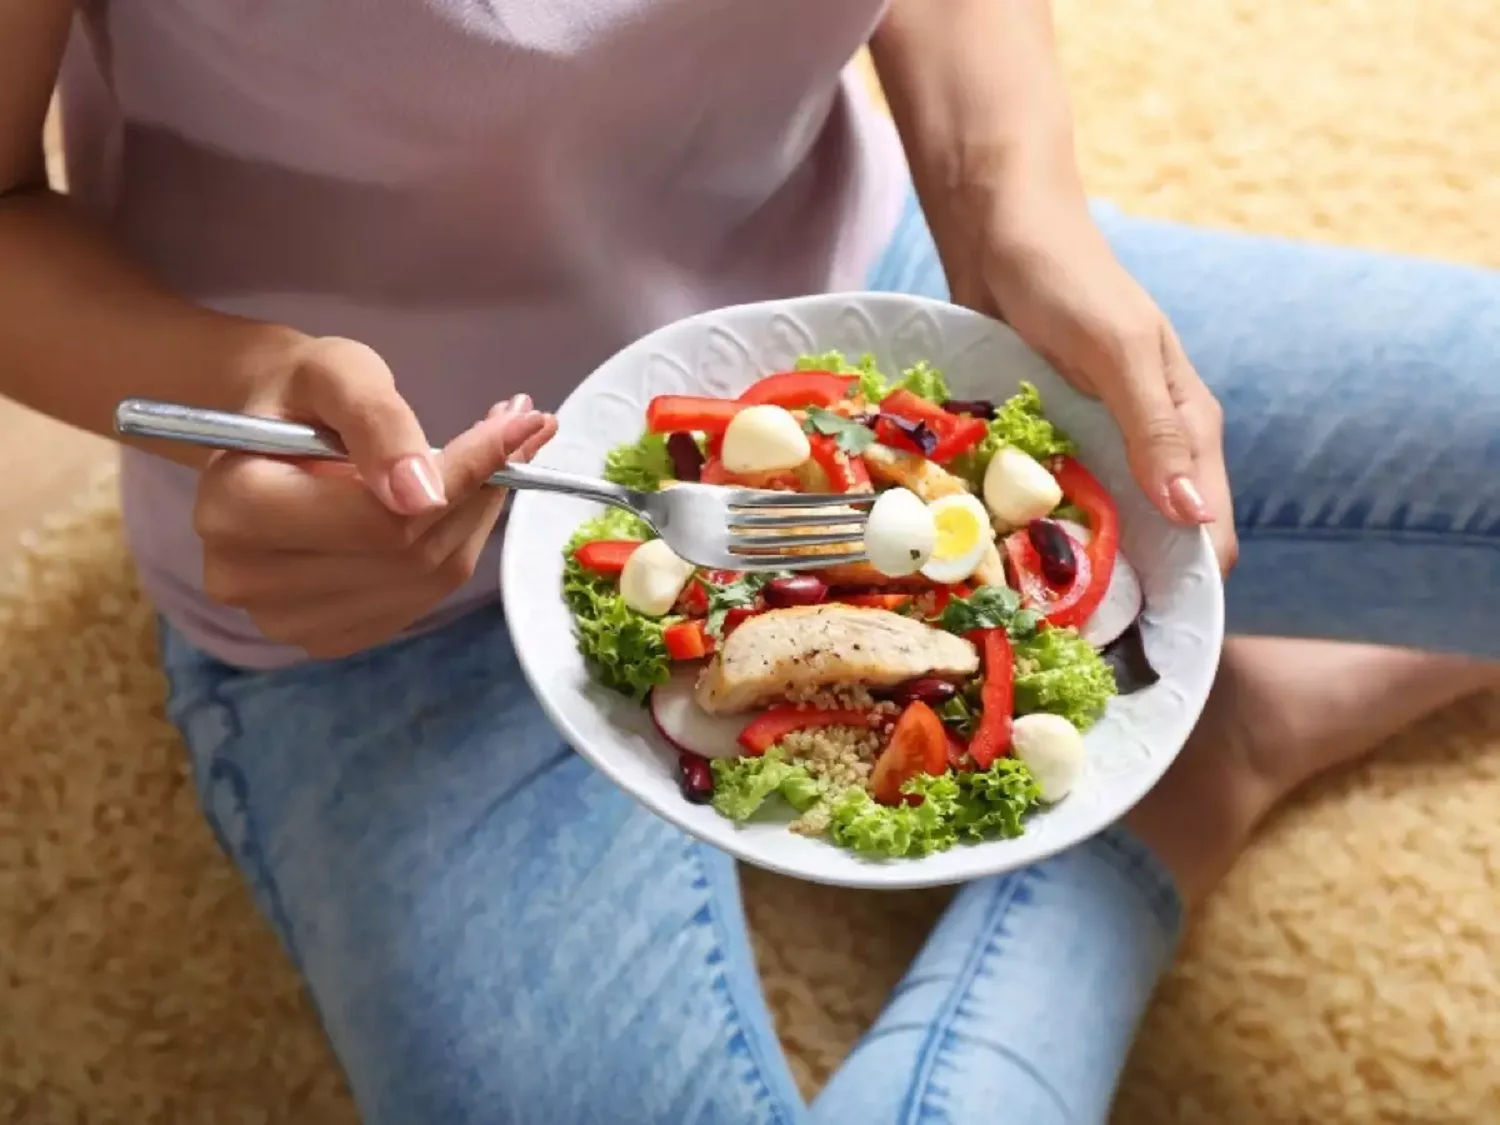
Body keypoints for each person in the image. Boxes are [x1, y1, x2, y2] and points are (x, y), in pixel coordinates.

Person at [3, 1, 1496, 1121]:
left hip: (854, 338)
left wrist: (1002, 194)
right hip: (384, 588)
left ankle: (1196, 752)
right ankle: (1174, 808)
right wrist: (251, 400)